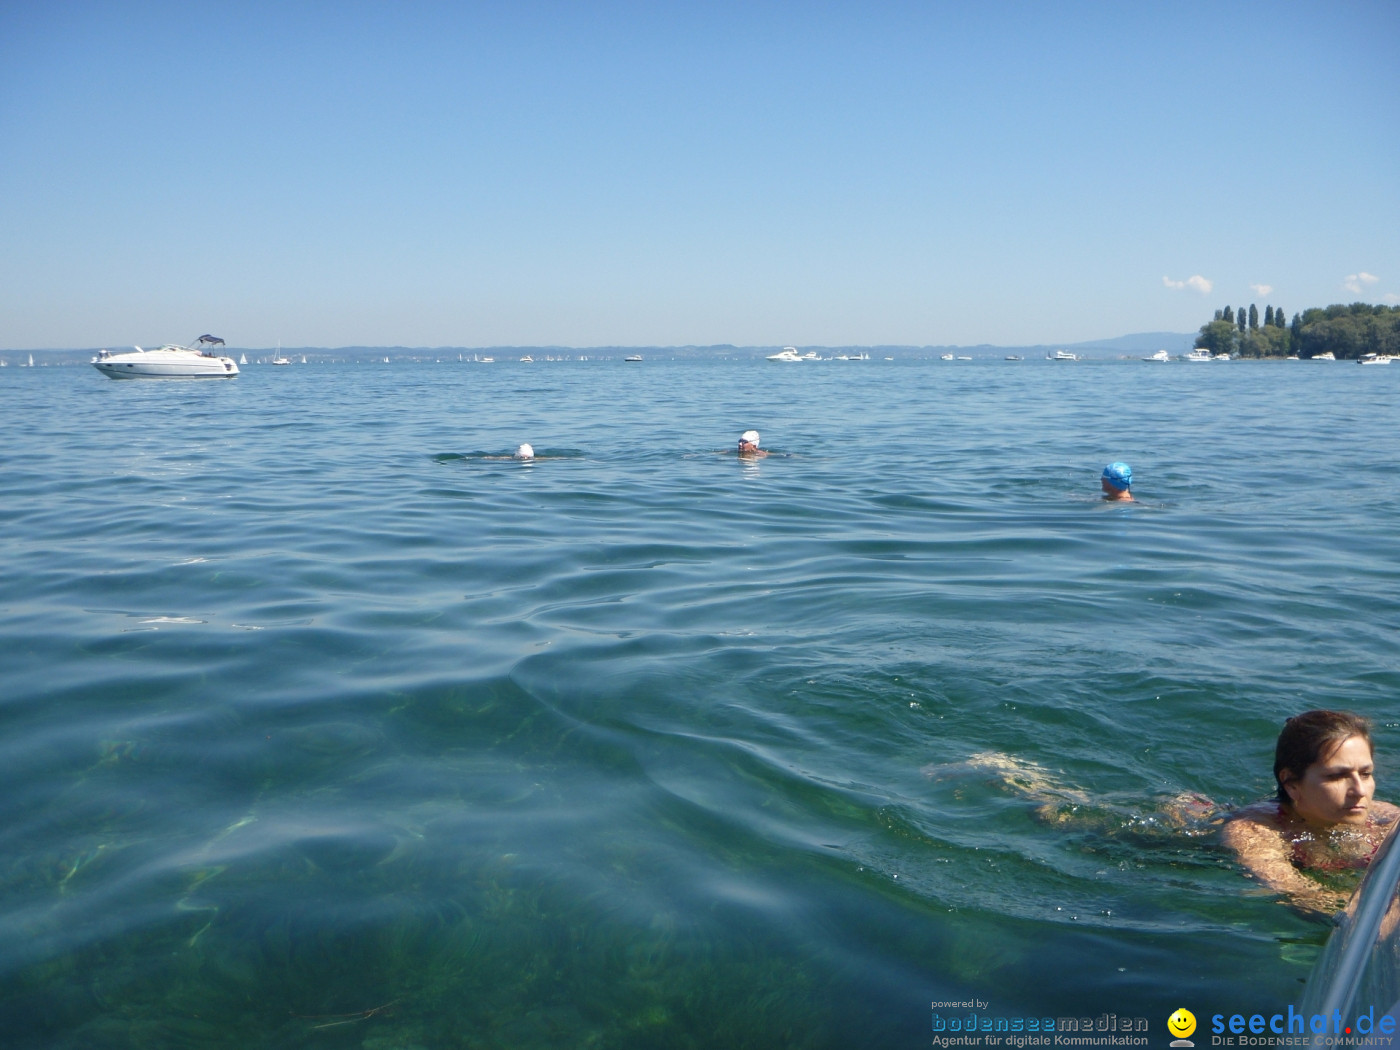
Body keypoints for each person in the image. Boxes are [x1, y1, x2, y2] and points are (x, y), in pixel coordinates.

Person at [1223, 710, 1398, 916]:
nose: (1360, 791)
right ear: (1292, 784)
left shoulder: (1387, 819)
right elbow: (1304, 895)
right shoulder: (1253, 832)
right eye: (1337, 776)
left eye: (1366, 774)